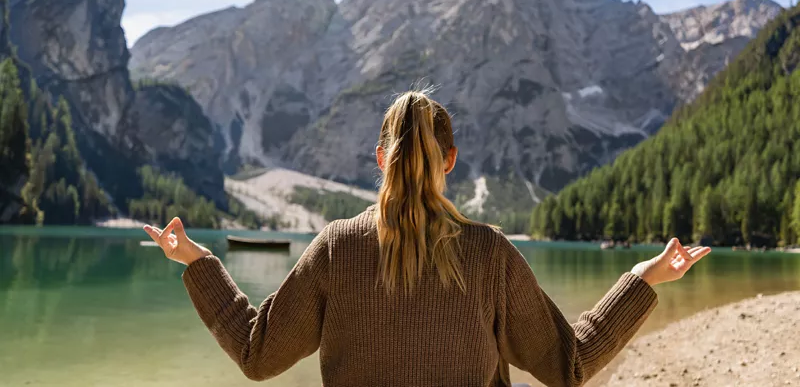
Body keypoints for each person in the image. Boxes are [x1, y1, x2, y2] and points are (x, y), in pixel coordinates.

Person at [144, 90, 711, 387]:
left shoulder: (337, 247)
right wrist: (644, 277)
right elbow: (572, 365)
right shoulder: (488, 253)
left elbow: (257, 355)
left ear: (380, 159)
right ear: (452, 160)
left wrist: (197, 260)